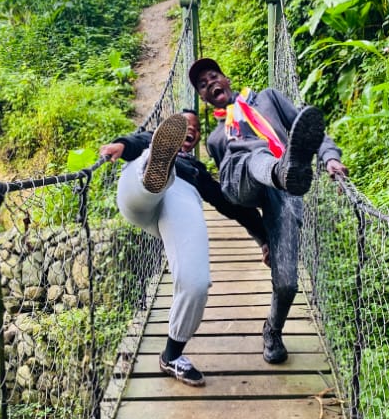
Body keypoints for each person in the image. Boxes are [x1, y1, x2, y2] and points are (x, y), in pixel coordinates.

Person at [188, 57, 348, 366]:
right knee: (252, 155)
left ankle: (272, 331)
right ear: (205, 100)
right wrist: (261, 238)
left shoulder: (269, 98)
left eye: (212, 77)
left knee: (287, 283)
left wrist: (329, 157)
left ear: (226, 78)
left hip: (286, 191)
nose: (209, 84)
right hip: (242, 180)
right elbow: (236, 205)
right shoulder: (216, 139)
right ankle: (282, 168)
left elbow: (310, 129)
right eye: (203, 86)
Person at [100, 109, 269, 387]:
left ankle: (172, 355)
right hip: (137, 191)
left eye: (194, 128)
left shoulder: (196, 170)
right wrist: (121, 145)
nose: (190, 130)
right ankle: (157, 165)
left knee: (196, 283)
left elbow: (230, 205)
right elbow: (133, 139)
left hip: (179, 194)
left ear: (196, 139)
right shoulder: (147, 139)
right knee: (148, 159)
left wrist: (264, 238)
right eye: (183, 126)